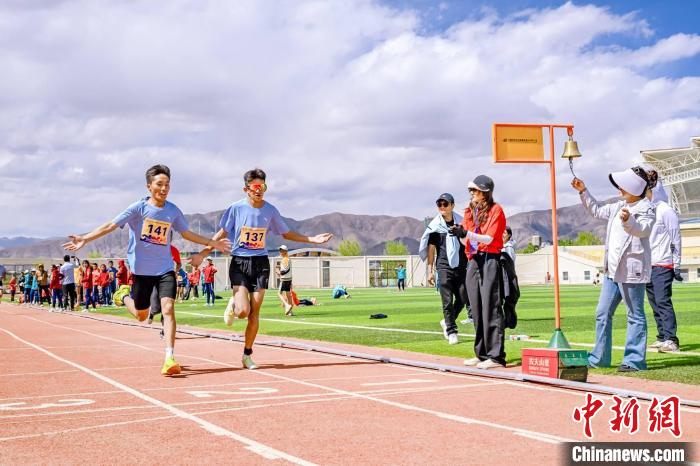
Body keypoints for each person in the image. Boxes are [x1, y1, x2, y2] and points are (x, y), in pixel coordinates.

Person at [63, 164, 231, 376]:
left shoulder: (172, 210)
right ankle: (123, 296)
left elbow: (187, 234)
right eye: (159, 184)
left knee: (168, 309)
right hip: (142, 271)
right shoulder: (138, 208)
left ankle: (169, 357)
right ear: (149, 186)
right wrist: (85, 238)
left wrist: (212, 243)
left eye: (167, 184)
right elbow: (110, 225)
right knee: (141, 316)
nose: (164, 188)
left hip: (165, 269)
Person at [189, 168, 332, 370]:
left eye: (263, 187)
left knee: (254, 313)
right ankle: (234, 303)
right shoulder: (236, 208)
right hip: (240, 263)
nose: (259, 190)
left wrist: (312, 239)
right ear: (246, 189)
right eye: (255, 186)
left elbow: (286, 233)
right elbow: (221, 233)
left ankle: (247, 354)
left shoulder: (270, 210)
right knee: (242, 312)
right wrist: (203, 254)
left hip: (261, 263)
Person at [571, 167, 654, 372]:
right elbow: (597, 210)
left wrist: (628, 220)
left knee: (634, 315)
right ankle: (599, 358)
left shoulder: (646, 208)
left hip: (631, 273)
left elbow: (642, 230)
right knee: (602, 313)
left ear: (635, 187)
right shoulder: (619, 205)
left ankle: (634, 361)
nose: (619, 188)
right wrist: (583, 191)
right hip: (612, 272)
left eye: (623, 185)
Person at [451, 175, 507, 369]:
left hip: (490, 259)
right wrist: (460, 235)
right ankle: (481, 354)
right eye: (471, 190)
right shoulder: (469, 211)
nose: (472, 193)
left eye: (475, 190)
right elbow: (467, 241)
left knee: (491, 306)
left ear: (485, 192)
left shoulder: (496, 210)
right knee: (475, 307)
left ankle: (496, 356)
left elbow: (489, 239)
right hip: (474, 260)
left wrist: (467, 233)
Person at [639, 165, 682, 353]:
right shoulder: (647, 210)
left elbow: (676, 238)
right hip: (649, 264)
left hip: (663, 264)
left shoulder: (666, 210)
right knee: (654, 302)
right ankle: (662, 336)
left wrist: (677, 264)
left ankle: (672, 339)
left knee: (663, 301)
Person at [419, 193, 470, 346]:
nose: (442, 207)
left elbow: (469, 242)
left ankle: (446, 321)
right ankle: (452, 331)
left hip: (461, 266)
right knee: (447, 300)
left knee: (463, 298)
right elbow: (431, 249)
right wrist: (430, 271)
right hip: (443, 266)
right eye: (439, 204)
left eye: (445, 204)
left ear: (452, 206)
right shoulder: (436, 226)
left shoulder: (461, 223)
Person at [277, 245, 294, 316]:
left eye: (282, 250)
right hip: (289, 279)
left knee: (279, 293)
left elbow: (285, 270)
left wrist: (279, 272)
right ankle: (290, 312)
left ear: (285, 251)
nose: (280, 252)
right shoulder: (287, 258)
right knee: (288, 295)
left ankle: (287, 305)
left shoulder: (285, 259)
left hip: (285, 279)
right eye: (280, 250)